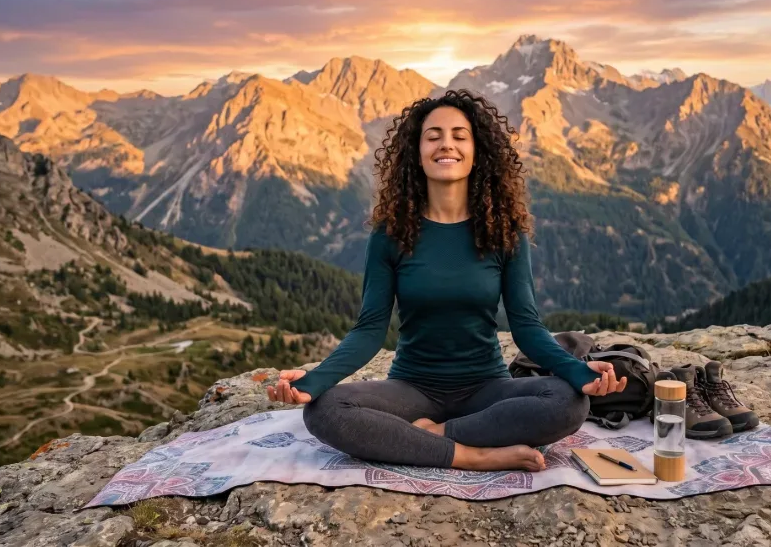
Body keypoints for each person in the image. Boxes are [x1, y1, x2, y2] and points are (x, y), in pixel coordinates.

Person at [265, 89, 627, 472]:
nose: (446, 145)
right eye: (433, 135)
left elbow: (526, 327)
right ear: (416, 152)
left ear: (477, 151)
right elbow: (370, 330)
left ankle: (432, 437)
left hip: (487, 387)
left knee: (568, 403)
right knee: (325, 410)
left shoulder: (505, 233)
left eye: (459, 135)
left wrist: (578, 373)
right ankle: (471, 454)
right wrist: (314, 380)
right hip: (411, 388)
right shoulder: (391, 234)